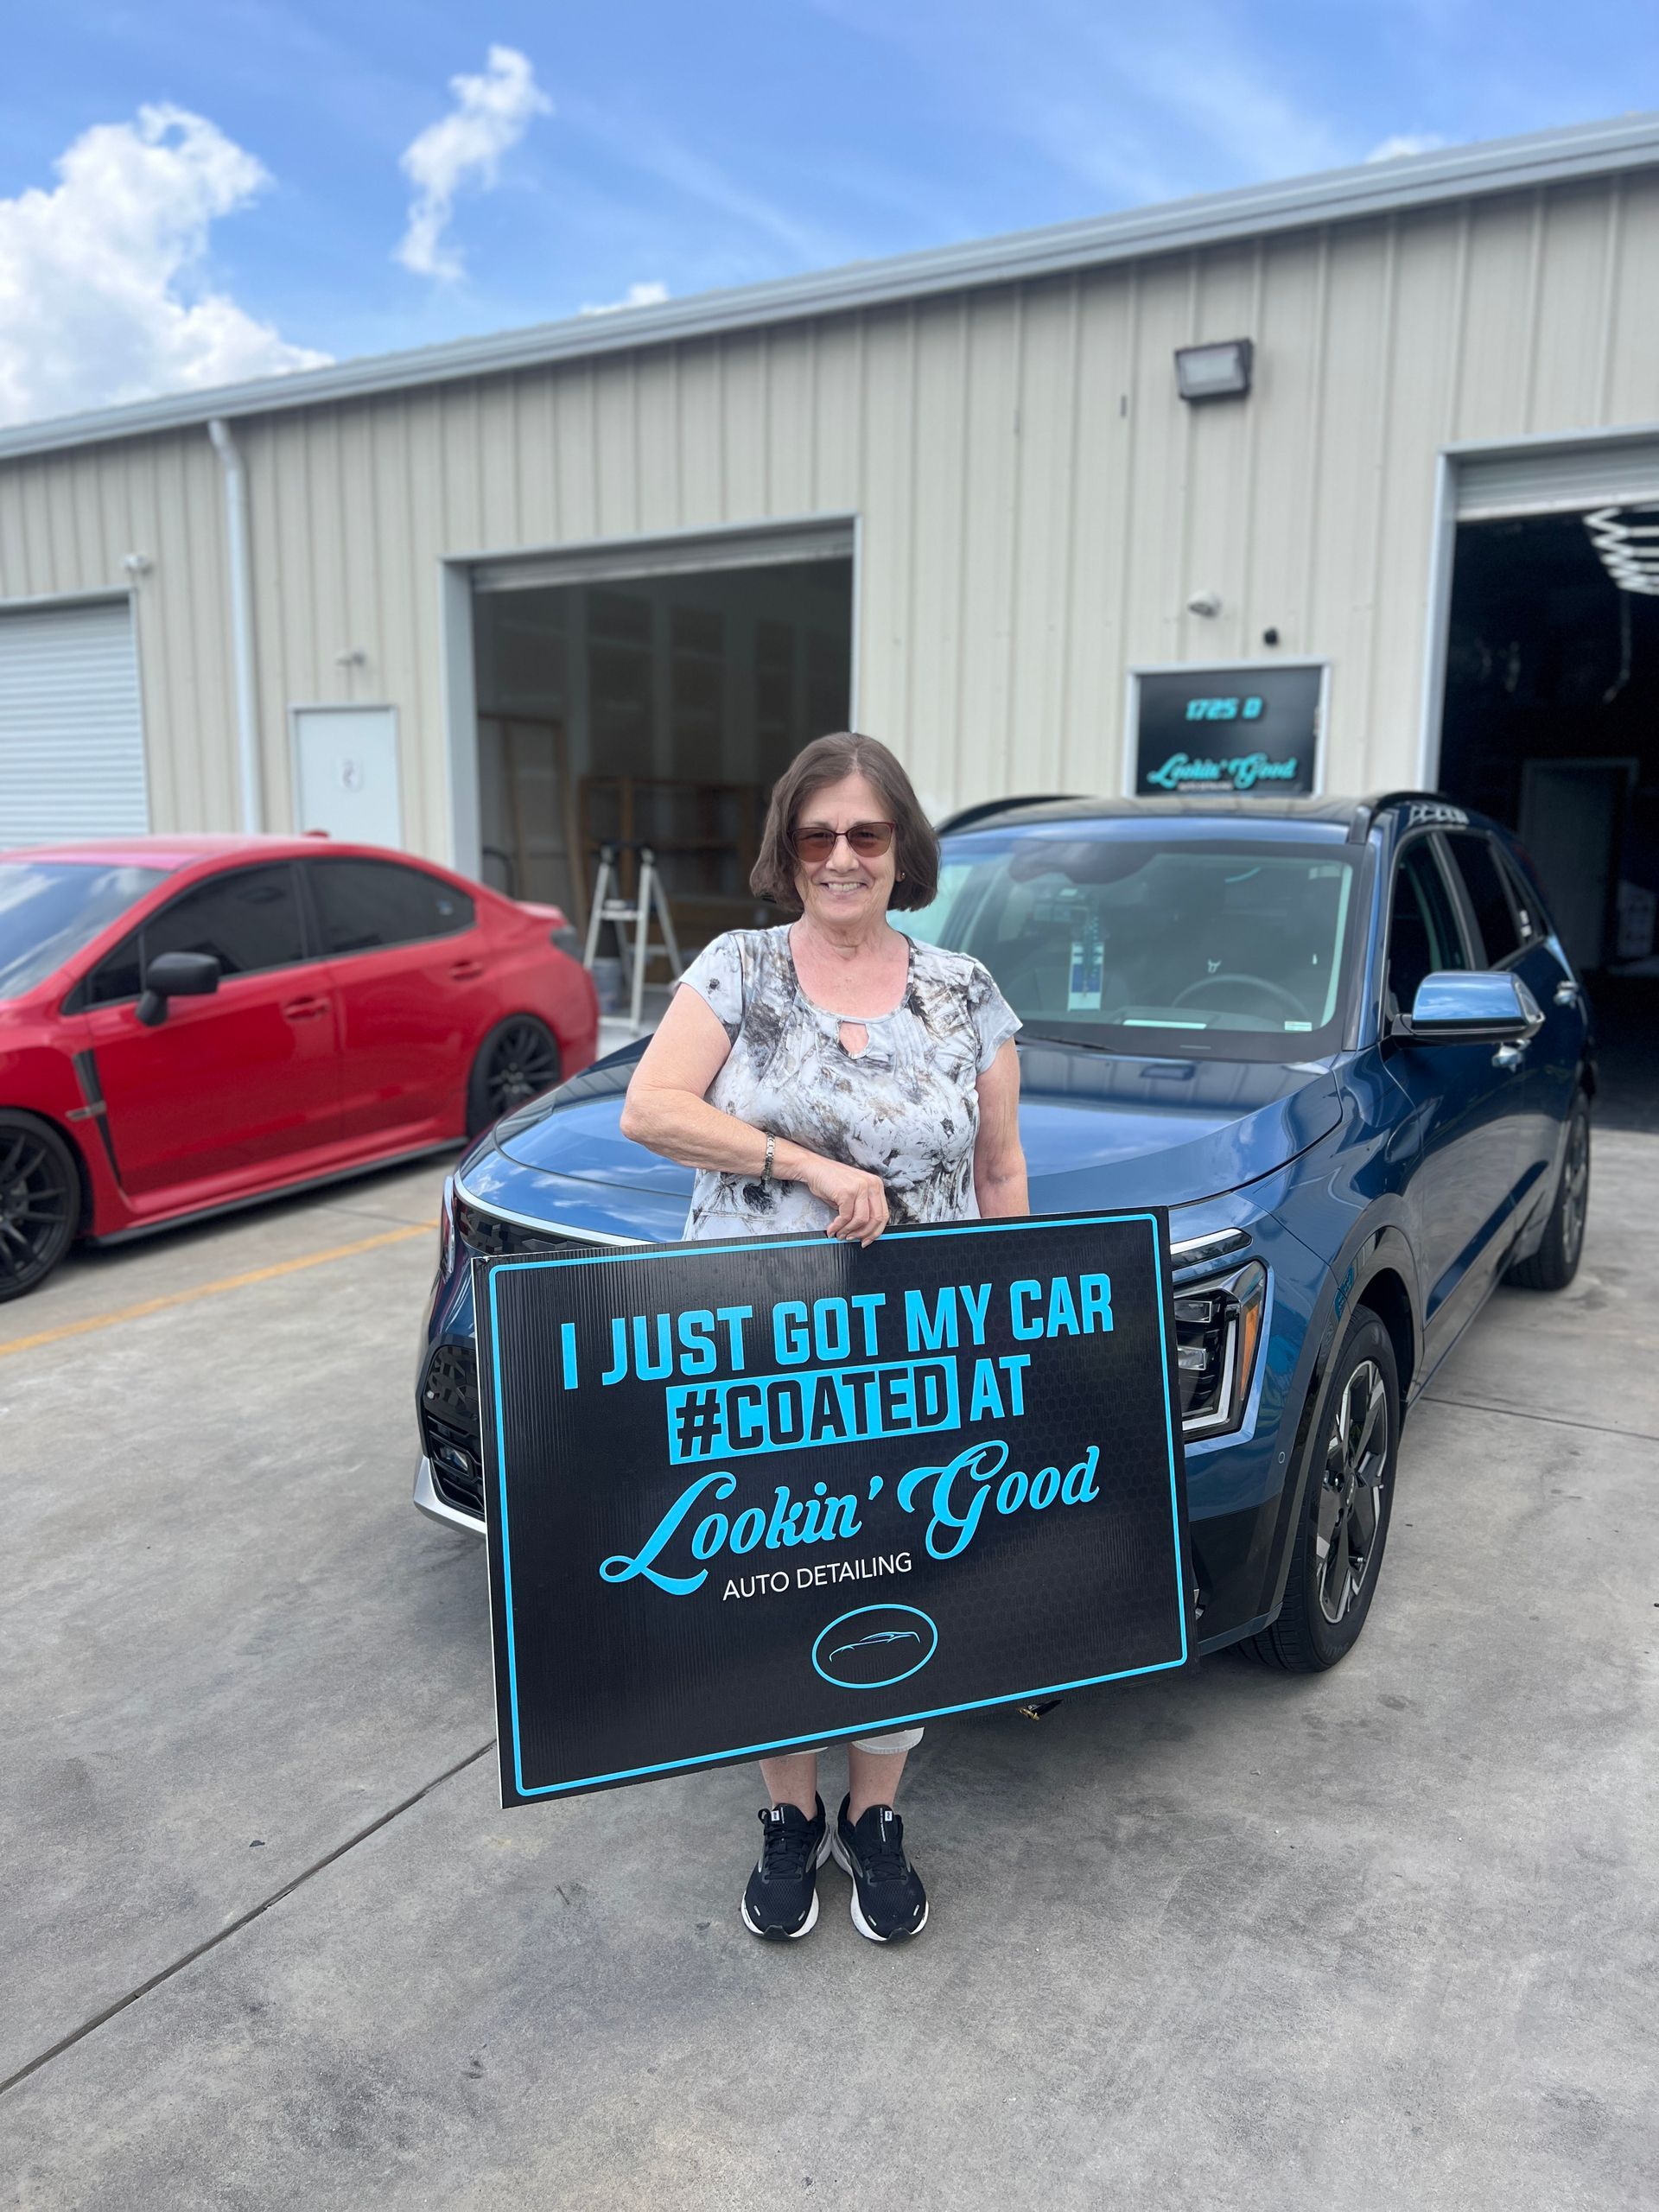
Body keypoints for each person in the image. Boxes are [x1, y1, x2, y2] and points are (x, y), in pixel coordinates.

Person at [620, 732, 1028, 1944]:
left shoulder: (963, 992)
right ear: (787, 851)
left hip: (916, 1355)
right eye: (816, 836)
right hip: (756, 1354)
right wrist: (804, 1161)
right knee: (768, 1586)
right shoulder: (738, 972)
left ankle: (878, 1814)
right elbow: (653, 1109)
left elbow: (1001, 1171)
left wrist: (1014, 1330)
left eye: (865, 833)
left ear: (901, 846)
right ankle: (790, 1815)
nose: (841, 857)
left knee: (899, 1573)